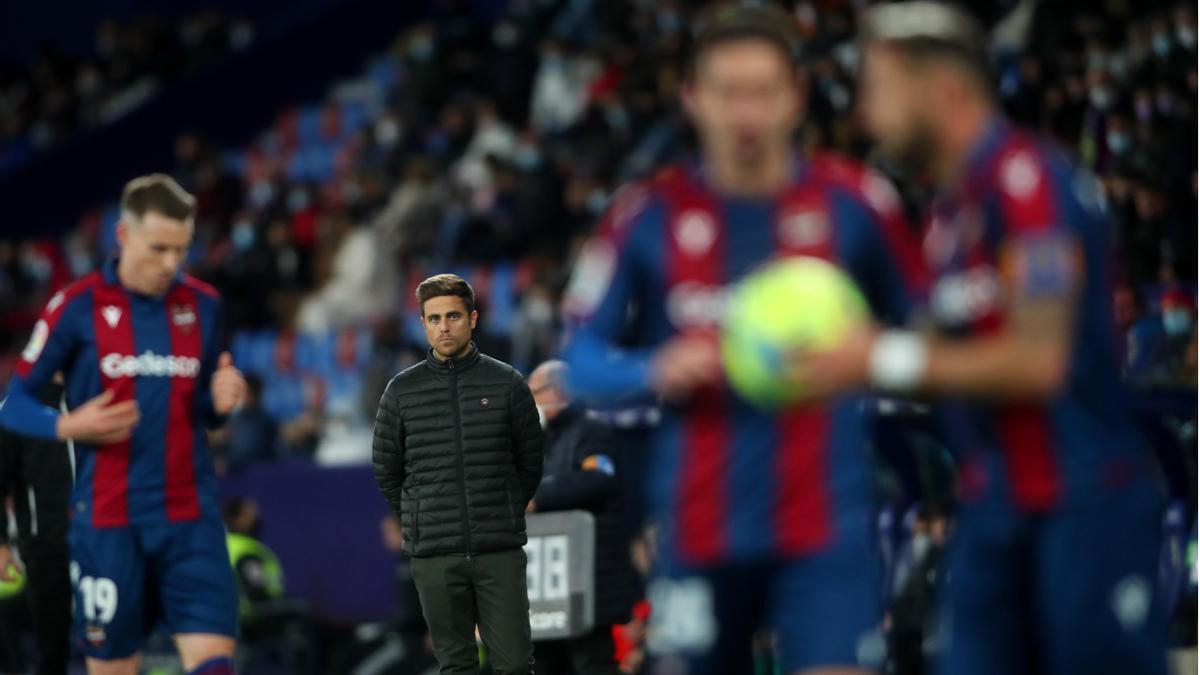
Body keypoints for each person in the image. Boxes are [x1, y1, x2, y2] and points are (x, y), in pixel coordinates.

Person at [799, 3, 1169, 674]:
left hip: (1081, 503)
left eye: (878, 89)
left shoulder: (1030, 184)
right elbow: (937, 355)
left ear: (942, 87)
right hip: (994, 506)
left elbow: (1039, 359)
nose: (863, 112)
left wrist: (878, 355)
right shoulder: (949, 214)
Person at [560, 4, 926, 674]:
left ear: (796, 97)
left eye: (762, 92)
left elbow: (930, 334)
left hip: (827, 531)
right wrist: (655, 367)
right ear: (694, 98)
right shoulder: (647, 216)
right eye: (728, 93)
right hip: (699, 531)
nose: (745, 114)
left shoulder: (858, 204)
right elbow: (578, 360)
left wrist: (871, 353)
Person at [0, 173, 247, 675]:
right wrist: (67, 427)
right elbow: (15, 405)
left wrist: (222, 402)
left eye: (182, 249)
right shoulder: (75, 307)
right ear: (124, 235)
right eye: (159, 248)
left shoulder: (204, 305)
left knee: (215, 663)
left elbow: (203, 406)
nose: (171, 264)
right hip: (109, 520)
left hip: (191, 516)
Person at [372, 273, 543, 675]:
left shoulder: (507, 383)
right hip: (435, 554)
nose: (444, 327)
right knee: (455, 666)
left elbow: (531, 462)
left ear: (473, 318)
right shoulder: (400, 391)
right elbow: (386, 468)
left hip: (498, 550)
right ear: (423, 324)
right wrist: (418, 515)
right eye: (434, 319)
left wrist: (501, 509)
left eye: (453, 316)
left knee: (516, 665)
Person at [526, 360, 636, 675]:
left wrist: (537, 498)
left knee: (592, 662)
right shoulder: (544, 442)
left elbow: (599, 478)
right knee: (546, 663)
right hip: (551, 584)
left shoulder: (592, 431)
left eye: (536, 392)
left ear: (560, 390)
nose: (531, 402)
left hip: (589, 576)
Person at [0, 376, 73, 675]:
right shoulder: (18, 408)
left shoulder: (92, 396)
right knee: (53, 650)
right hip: (45, 546)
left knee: (110, 645)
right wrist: (1, 543)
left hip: (100, 540)